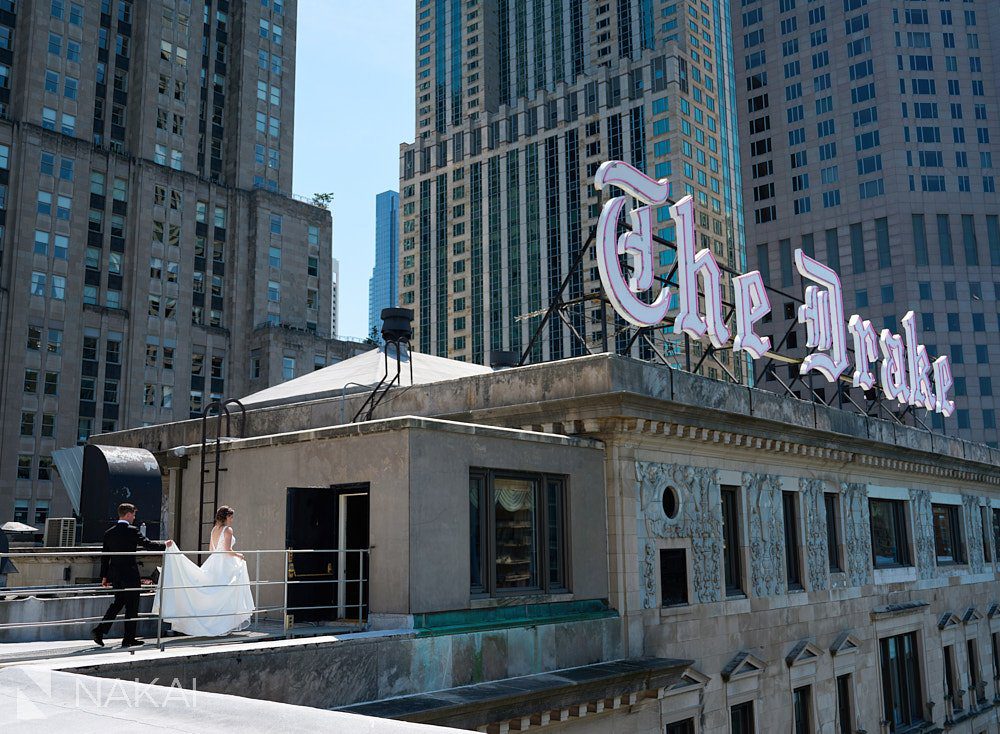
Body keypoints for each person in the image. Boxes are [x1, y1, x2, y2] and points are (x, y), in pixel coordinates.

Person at [152, 505, 255, 637]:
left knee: (215, 593)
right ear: (227, 517)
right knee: (225, 593)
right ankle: (220, 624)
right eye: (231, 517)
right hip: (224, 564)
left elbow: (212, 550)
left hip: (213, 561)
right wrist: (239, 555)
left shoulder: (214, 530)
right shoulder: (228, 530)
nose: (232, 519)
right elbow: (227, 549)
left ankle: (214, 623)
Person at [92, 502, 173, 648]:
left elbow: (105, 557)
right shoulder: (132, 530)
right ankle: (128, 638)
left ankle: (100, 630)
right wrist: (165, 545)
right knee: (132, 605)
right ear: (128, 514)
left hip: (115, 574)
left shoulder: (109, 532)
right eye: (134, 515)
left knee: (118, 603)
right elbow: (147, 544)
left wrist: (104, 576)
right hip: (130, 573)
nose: (134, 518)